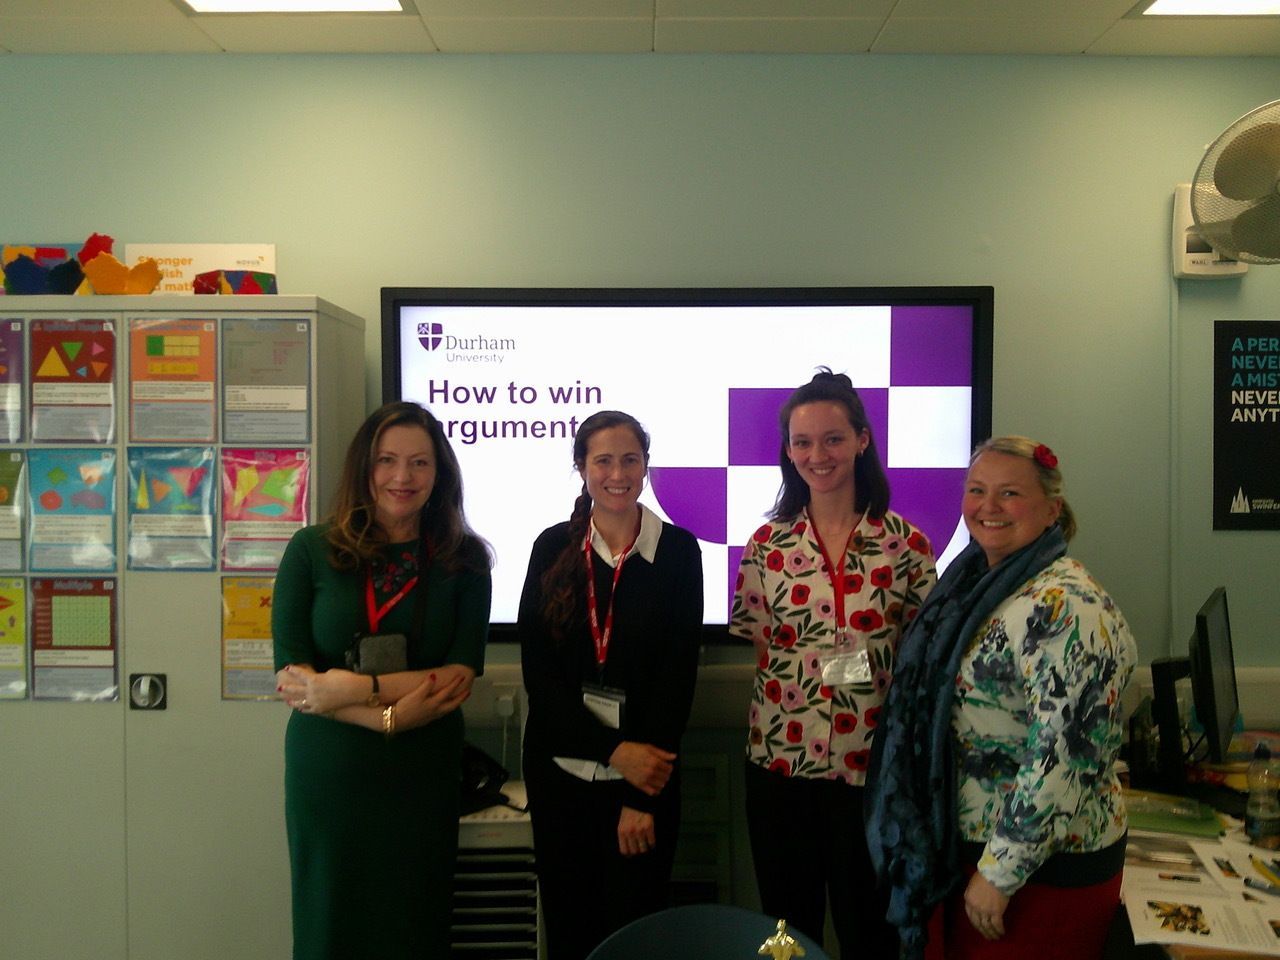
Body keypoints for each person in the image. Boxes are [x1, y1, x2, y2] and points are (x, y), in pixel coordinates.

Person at [866, 436, 1138, 960]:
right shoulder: (977, 583)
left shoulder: (1064, 604)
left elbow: (1066, 754)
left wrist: (1000, 872)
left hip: (1038, 873)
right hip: (974, 854)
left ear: (1051, 509)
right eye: (976, 490)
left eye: (1009, 493)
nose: (987, 506)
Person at [273, 400, 492, 960]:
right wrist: (387, 717)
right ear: (364, 468)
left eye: (420, 462)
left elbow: (458, 674)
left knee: (413, 925)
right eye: (387, 460)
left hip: (421, 772)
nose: (403, 477)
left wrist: (355, 689)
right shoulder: (311, 550)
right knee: (329, 924)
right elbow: (294, 678)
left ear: (439, 473)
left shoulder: (464, 559)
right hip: (331, 771)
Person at [731, 368, 937, 958]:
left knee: (870, 932)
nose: (817, 455)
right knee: (786, 931)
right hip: (780, 765)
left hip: (869, 772)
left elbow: (921, 659)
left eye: (832, 439)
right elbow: (763, 644)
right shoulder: (766, 547)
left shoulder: (907, 546)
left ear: (862, 441)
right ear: (788, 450)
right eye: (802, 442)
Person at [518, 410, 704, 960]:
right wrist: (614, 750)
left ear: (646, 466)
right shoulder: (552, 548)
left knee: (635, 939)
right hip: (561, 781)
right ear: (581, 467)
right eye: (603, 461)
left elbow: (676, 682)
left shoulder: (678, 552)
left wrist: (639, 795)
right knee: (570, 935)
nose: (617, 474)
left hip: (643, 787)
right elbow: (541, 680)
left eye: (630, 460)